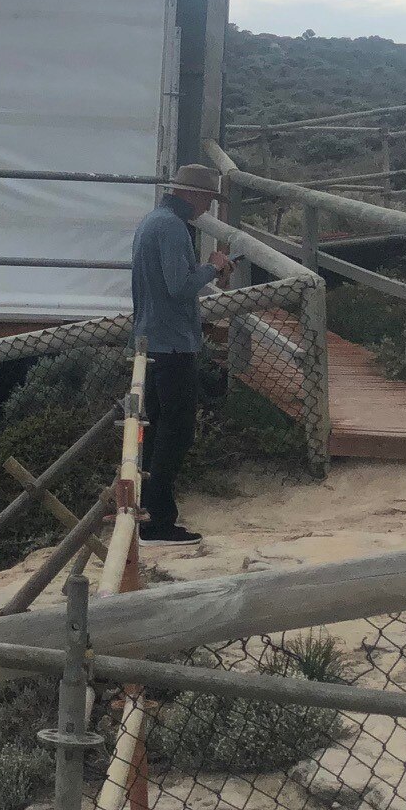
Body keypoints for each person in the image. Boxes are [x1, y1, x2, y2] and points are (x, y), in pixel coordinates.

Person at [129, 162, 233, 548]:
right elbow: (179, 286)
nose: (207, 206)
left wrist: (206, 271)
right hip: (173, 345)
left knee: (154, 431)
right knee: (176, 431)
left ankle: (145, 514)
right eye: (207, 198)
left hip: (151, 341)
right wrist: (213, 267)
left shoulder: (152, 222)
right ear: (193, 195)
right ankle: (158, 522)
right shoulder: (173, 228)